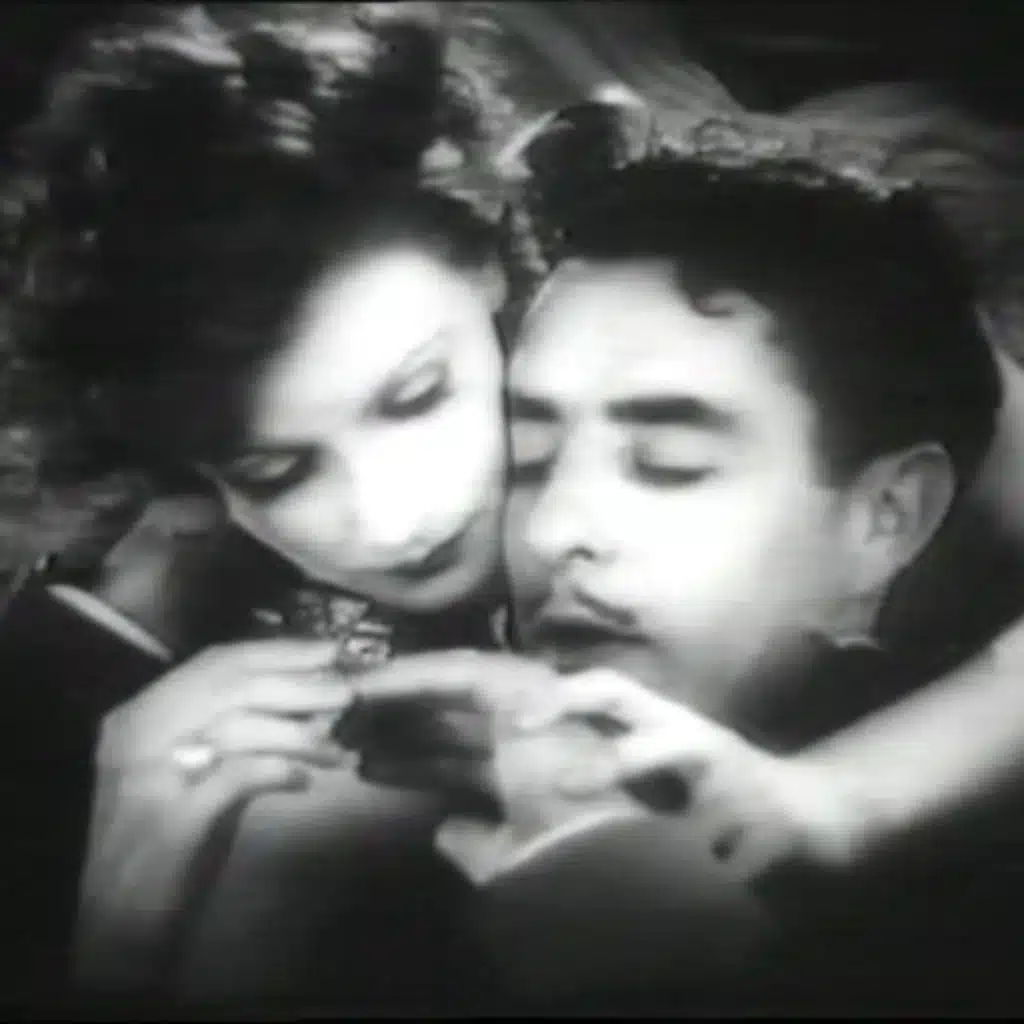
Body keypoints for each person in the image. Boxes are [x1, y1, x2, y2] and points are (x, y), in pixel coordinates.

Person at [343, 99, 1024, 1011]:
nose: (549, 532)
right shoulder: (382, 841)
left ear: (884, 518)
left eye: (670, 463)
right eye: (530, 459)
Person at [0, 2, 519, 1013]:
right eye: (278, 473)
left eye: (416, 397)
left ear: (488, 266)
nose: (391, 520)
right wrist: (123, 921)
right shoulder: (86, 669)